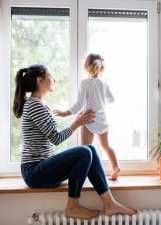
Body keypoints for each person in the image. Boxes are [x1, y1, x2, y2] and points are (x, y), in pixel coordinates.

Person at [13, 64, 136, 220]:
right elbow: (56, 138)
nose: (54, 79)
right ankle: (72, 206)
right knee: (84, 152)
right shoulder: (35, 106)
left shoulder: (40, 105)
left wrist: (77, 120)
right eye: (50, 75)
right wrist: (77, 123)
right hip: (34, 173)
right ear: (40, 80)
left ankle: (109, 203)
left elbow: (53, 135)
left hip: (41, 169)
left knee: (89, 148)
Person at [54, 54, 120, 180]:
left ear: (86, 66)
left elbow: (79, 104)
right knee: (106, 146)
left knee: (85, 150)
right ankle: (116, 167)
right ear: (102, 67)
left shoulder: (84, 83)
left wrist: (65, 113)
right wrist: (101, 100)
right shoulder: (104, 83)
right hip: (102, 119)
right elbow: (112, 99)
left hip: (89, 119)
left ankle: (87, 174)